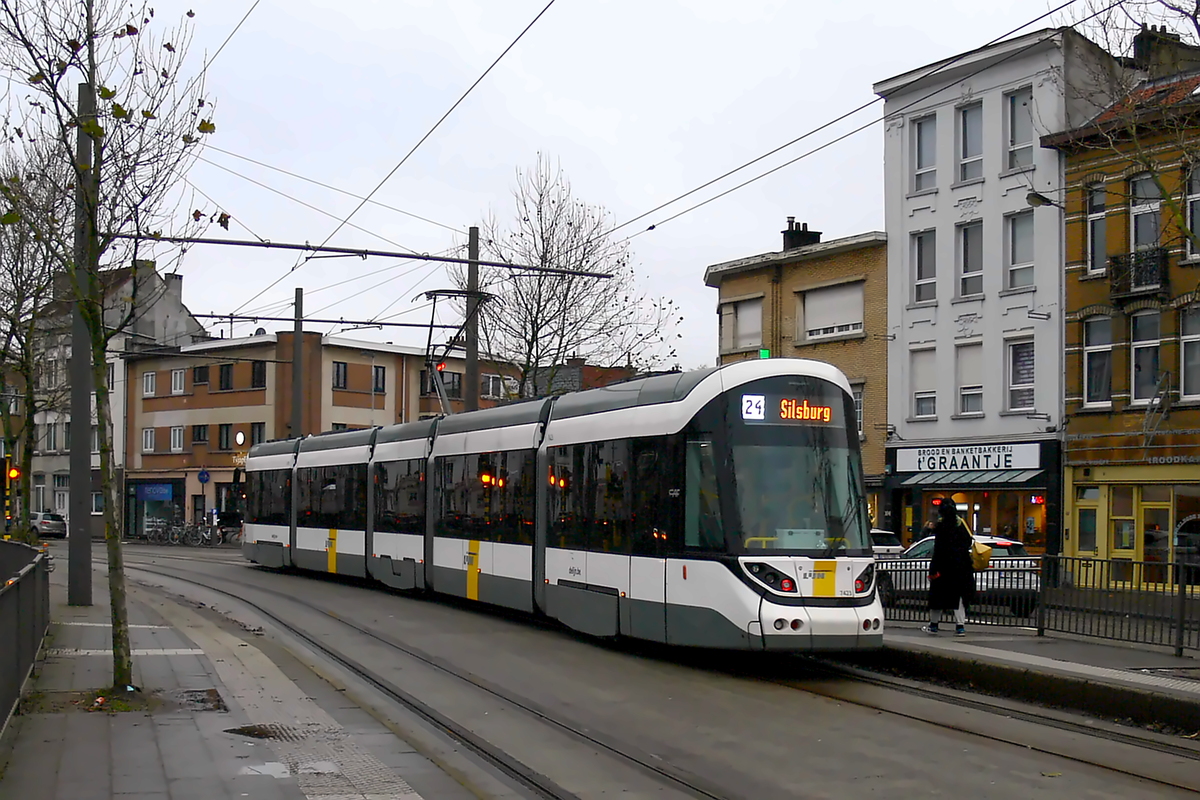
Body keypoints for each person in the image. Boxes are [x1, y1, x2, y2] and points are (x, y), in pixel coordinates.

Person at [922, 501, 975, 637]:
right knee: (959, 598)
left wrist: (933, 570)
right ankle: (960, 626)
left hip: (943, 568)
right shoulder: (960, 524)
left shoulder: (941, 526)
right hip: (960, 568)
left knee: (937, 597)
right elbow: (969, 541)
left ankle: (933, 625)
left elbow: (937, 549)